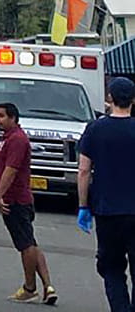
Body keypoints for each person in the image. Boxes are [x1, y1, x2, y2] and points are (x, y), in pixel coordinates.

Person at [0, 102, 57, 305]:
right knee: (30, 242)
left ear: (13, 118)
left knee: (25, 245)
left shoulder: (17, 140)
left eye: (1, 116)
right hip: (18, 199)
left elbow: (11, 170)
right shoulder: (7, 139)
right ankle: (48, 286)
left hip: (16, 200)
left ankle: (29, 287)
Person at [78, 76, 135, 312]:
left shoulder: (95, 129)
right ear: (133, 100)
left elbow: (83, 171)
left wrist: (83, 206)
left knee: (111, 268)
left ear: (109, 98)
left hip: (106, 209)